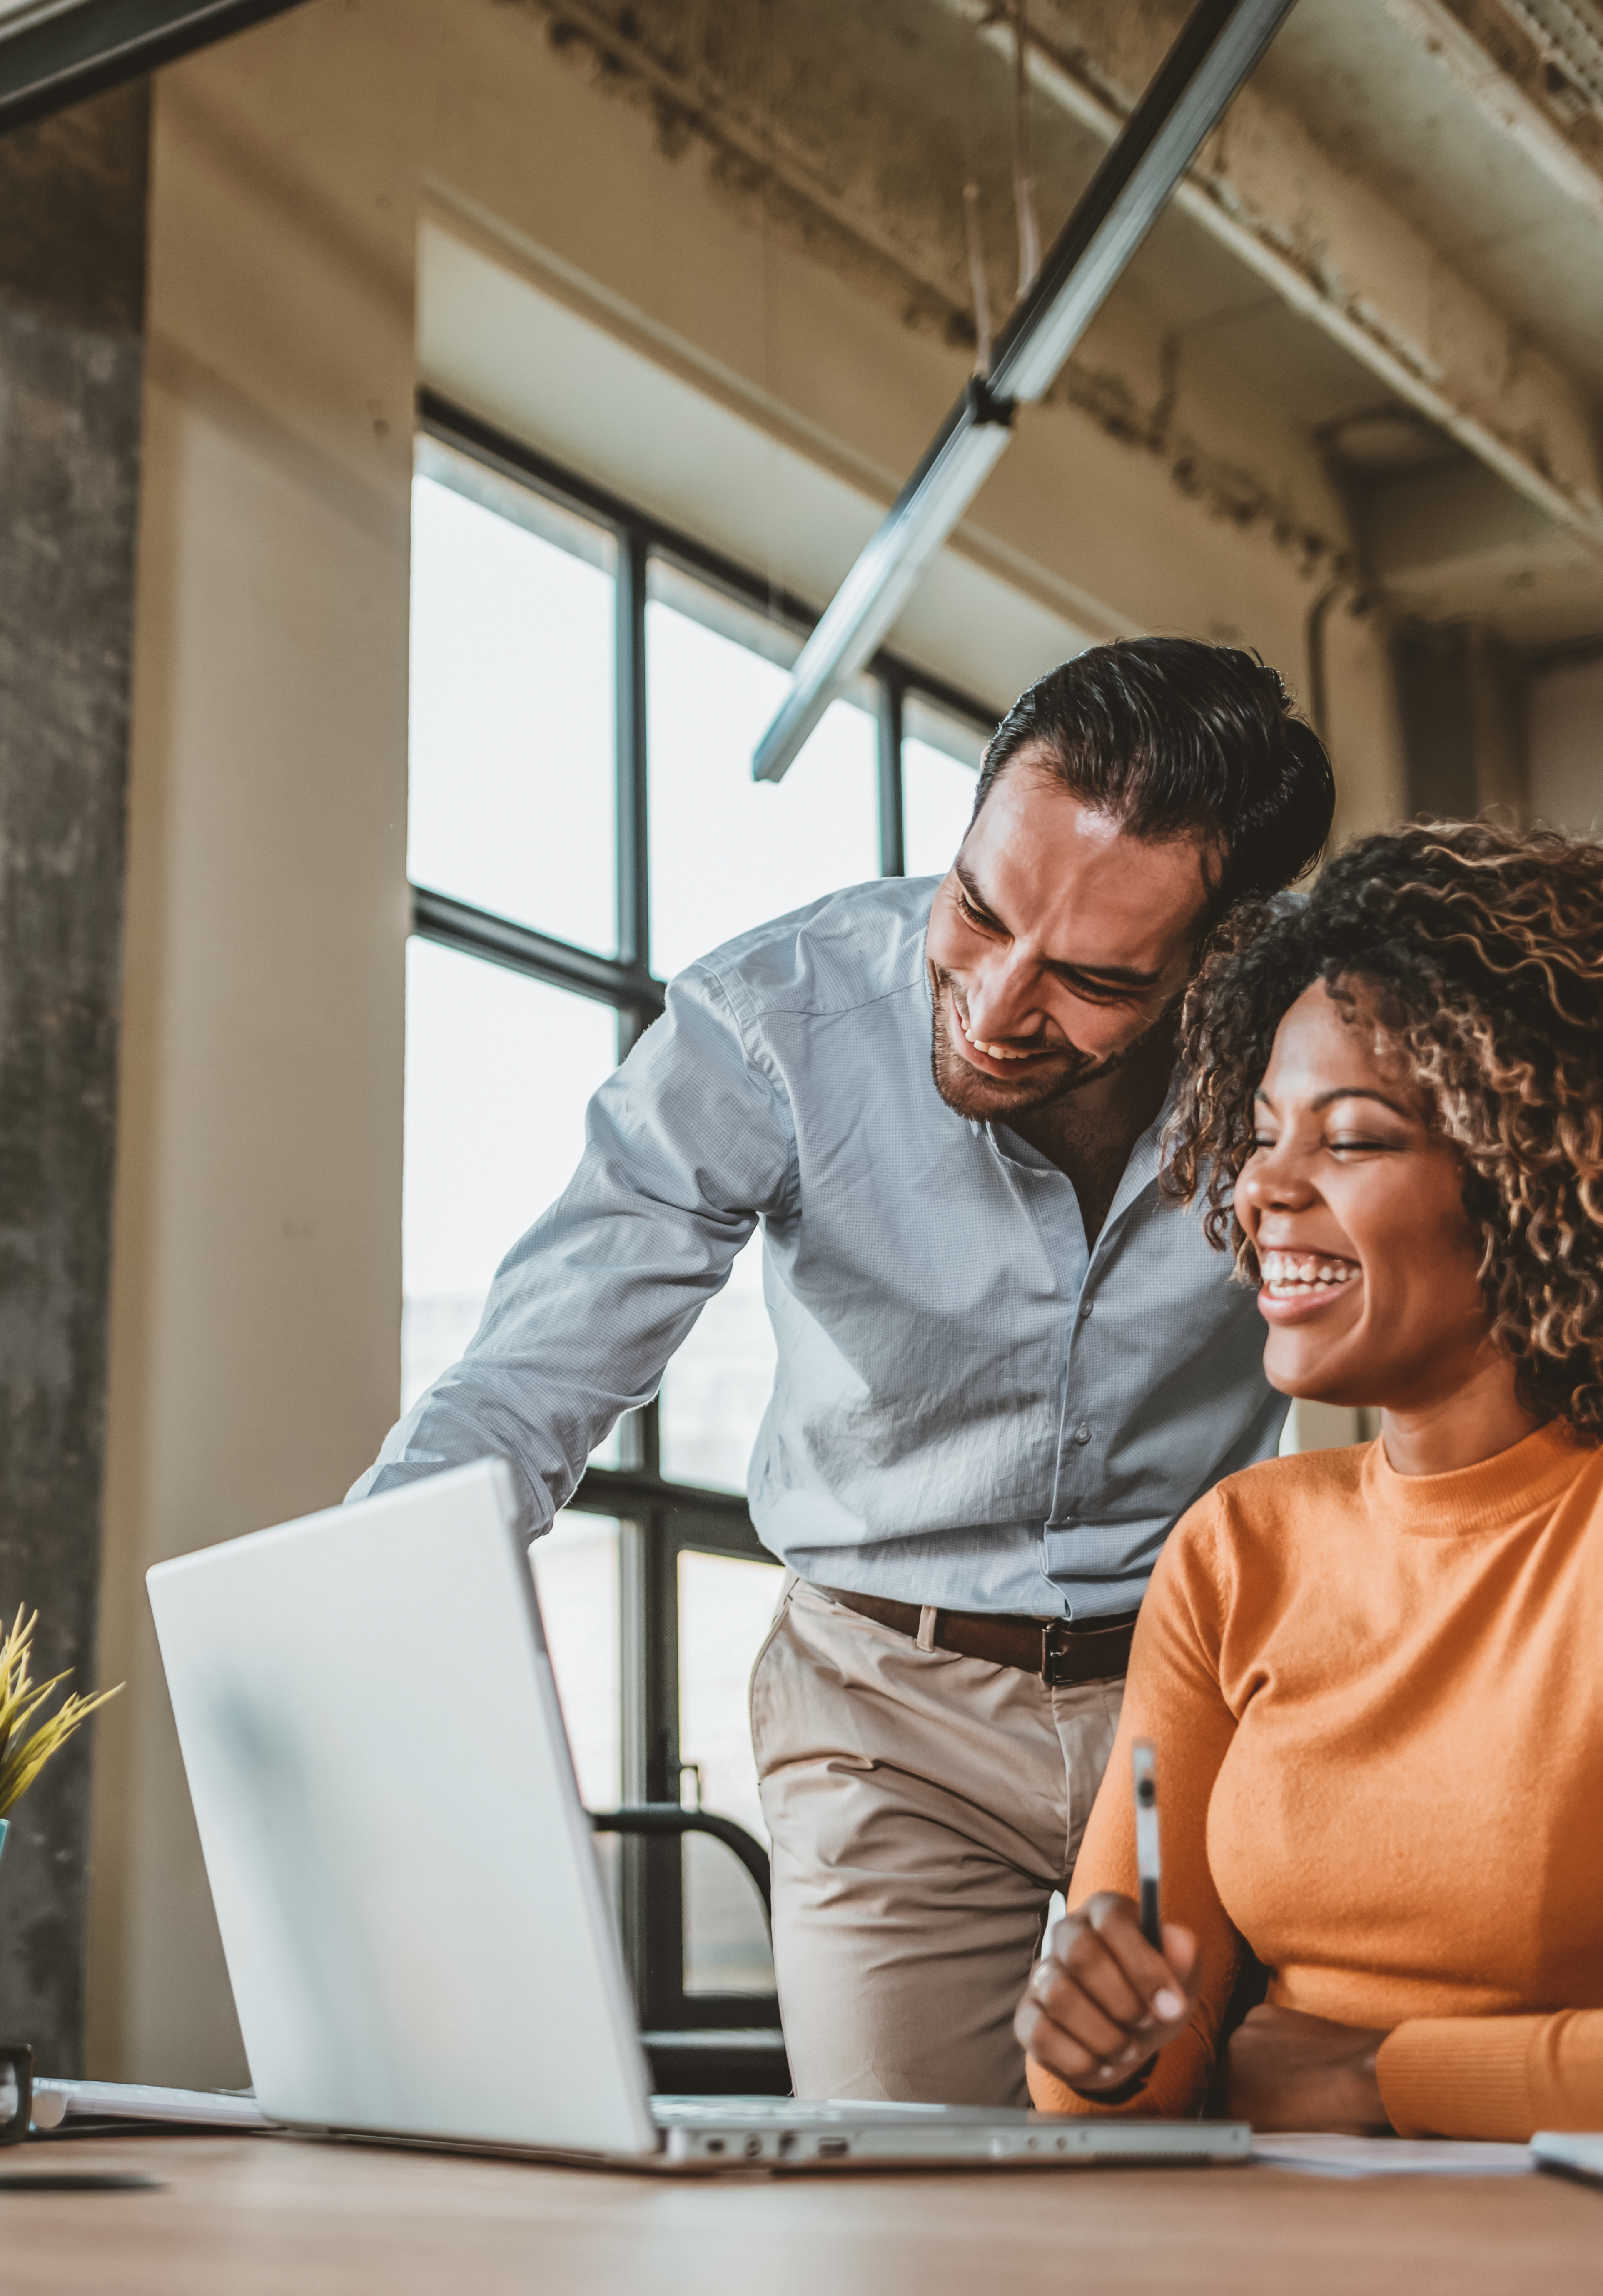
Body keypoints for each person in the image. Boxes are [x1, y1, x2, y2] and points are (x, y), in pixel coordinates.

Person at [352, 637, 1334, 2105]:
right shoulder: (777, 1022)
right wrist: (373, 1607)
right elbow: (537, 1371)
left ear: (1223, 956)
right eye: (976, 909)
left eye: (1089, 980)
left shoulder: (1309, 1048)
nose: (994, 1007)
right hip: (886, 1714)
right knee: (902, 2194)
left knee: (1237, 2172)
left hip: (1196, 1698)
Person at [1011, 822, 1603, 2137]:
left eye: (1352, 1142)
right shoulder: (1236, 1551)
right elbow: (1133, 2082)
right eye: (1258, 1136)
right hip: (1292, 2229)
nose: (1259, 1190)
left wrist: (1378, 2079)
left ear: (1543, 1180)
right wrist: (1099, 2048)